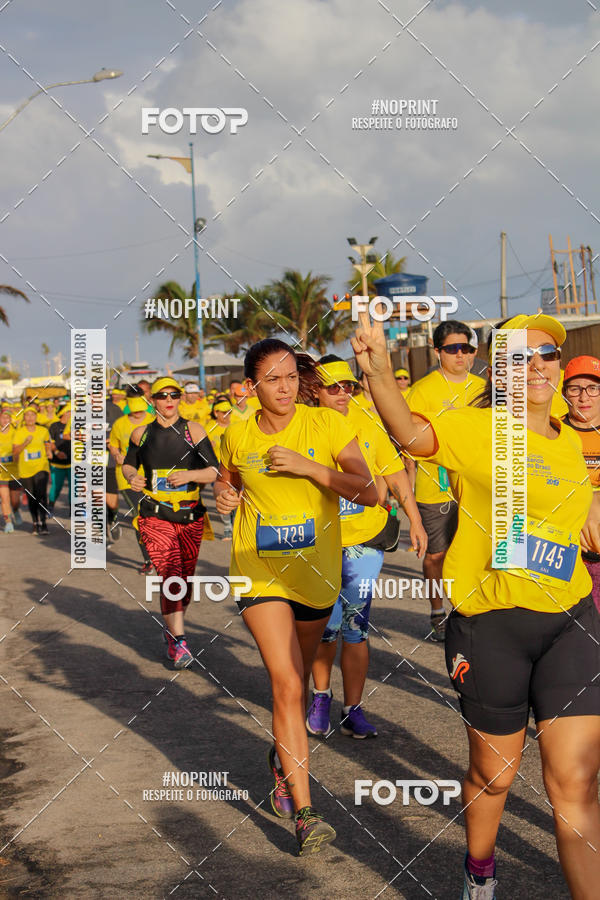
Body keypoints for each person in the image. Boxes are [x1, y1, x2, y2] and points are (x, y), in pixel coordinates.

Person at [353, 307, 600, 899]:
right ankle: (480, 870)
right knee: (495, 776)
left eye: (547, 355)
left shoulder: (572, 441)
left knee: (576, 781)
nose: (538, 365)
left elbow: (578, 521)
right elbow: (412, 434)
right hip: (491, 624)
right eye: (522, 356)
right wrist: (381, 372)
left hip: (570, 618)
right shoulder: (477, 427)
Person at [214, 338, 377, 855]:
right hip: (258, 571)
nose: (283, 388)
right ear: (251, 386)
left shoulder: (326, 425)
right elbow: (228, 483)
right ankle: (307, 814)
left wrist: (309, 468)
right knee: (285, 683)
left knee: (301, 681)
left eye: (289, 377)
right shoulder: (236, 434)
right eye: (271, 380)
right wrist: (224, 495)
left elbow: (368, 490)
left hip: (316, 574)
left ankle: (281, 762)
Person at [306, 356, 427, 739]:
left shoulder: (368, 421)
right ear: (315, 391)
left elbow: (393, 473)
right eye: (333, 387)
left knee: (356, 628)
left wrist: (416, 519)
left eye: (349, 387)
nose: (343, 394)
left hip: (363, 542)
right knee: (327, 630)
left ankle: (353, 709)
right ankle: (321, 696)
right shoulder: (301, 424)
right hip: (316, 543)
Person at [122, 377, 218, 668]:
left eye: (173, 395)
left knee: (184, 580)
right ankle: (180, 641)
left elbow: (214, 471)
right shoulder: (141, 434)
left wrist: (189, 476)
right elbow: (128, 462)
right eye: (162, 395)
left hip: (189, 515)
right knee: (171, 574)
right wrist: (131, 477)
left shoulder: (193, 430)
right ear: (153, 401)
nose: (169, 400)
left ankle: (172, 631)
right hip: (154, 513)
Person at [405, 321, 486, 642]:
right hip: (435, 489)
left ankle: (472, 610)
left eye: (466, 349)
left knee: (479, 552)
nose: (460, 355)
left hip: (477, 489)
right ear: (437, 351)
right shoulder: (422, 391)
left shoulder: (483, 389)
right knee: (437, 556)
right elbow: (406, 442)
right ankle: (438, 611)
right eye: (452, 349)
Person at [562, 355, 600, 614]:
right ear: (564, 394)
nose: (584, 397)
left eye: (593, 388)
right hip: (563, 553)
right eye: (575, 389)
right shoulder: (552, 432)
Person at [109, 397, 155, 572]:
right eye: (134, 410)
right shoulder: (120, 424)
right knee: (140, 516)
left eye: (140, 410)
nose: (137, 413)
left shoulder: (153, 421)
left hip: (152, 475)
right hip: (128, 476)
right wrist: (116, 455)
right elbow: (113, 445)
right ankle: (148, 559)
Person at [12, 406, 52, 534]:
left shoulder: (43, 430)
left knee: (41, 494)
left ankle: (44, 522)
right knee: (31, 496)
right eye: (27, 415)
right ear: (24, 418)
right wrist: (24, 443)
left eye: (32, 415)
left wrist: (49, 451)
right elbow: (15, 452)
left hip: (41, 466)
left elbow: (47, 443)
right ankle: (35, 522)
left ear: (36, 417)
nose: (30, 417)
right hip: (25, 469)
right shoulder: (19, 432)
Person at [205, 395, 235, 539]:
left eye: (229, 412)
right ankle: (227, 527)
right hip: (217, 468)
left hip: (235, 467)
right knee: (223, 496)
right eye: (224, 412)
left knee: (235, 497)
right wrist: (207, 447)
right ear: (216, 413)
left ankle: (236, 524)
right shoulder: (209, 427)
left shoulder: (236, 424)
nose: (228, 415)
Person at [0, 407, 21, 532]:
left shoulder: (16, 432)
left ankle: (16, 510)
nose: (5, 420)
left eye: (8, 418)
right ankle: (8, 521)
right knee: (4, 498)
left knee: (14, 500)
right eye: (3, 418)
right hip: (1, 472)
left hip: (15, 471)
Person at [48, 404, 72, 515]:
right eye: (70, 411)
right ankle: (50, 506)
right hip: (57, 464)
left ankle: (73, 510)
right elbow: (50, 443)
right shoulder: (54, 426)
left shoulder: (75, 425)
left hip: (73, 464)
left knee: (74, 489)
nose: (72, 414)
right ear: (64, 413)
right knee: (56, 487)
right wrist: (57, 453)